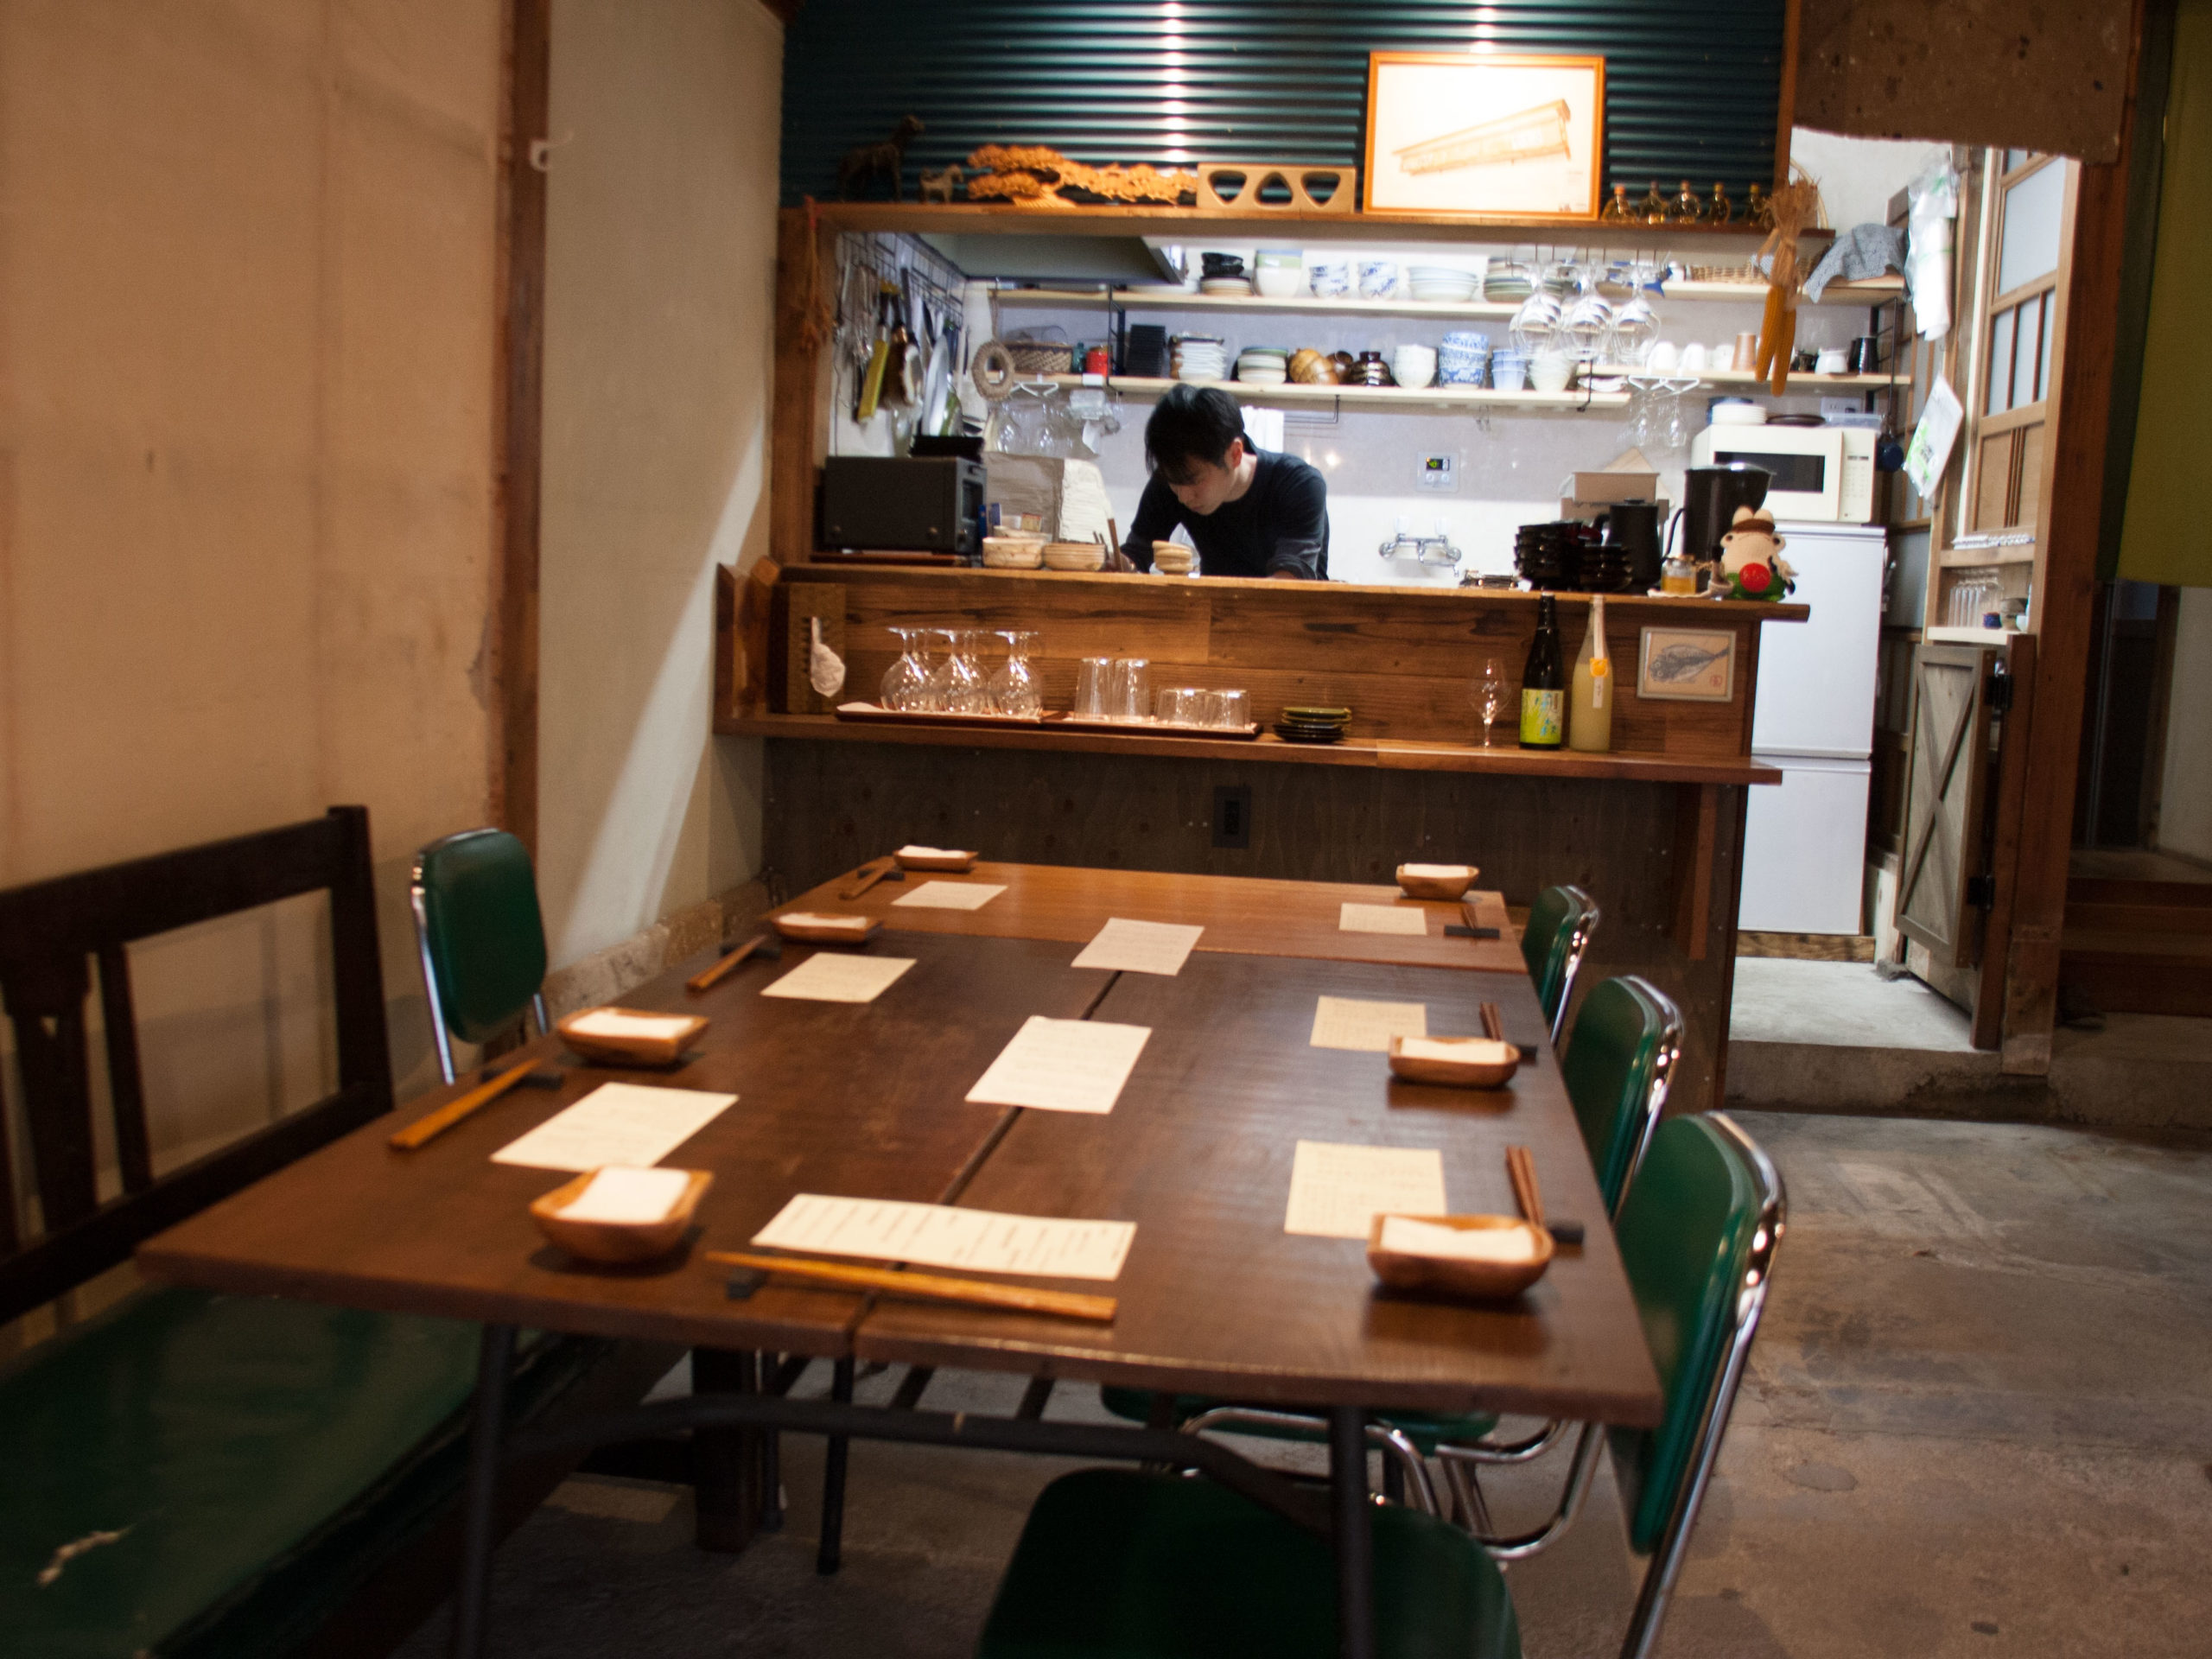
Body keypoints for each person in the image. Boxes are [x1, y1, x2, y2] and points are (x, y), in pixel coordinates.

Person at [1117, 385, 1330, 579]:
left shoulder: (1298, 484)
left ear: (1235, 454)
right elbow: (1137, 553)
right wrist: (1120, 565)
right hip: (1216, 605)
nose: (1183, 496)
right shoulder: (1173, 479)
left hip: (1290, 607)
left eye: (1194, 480)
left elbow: (1288, 584)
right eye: (1174, 483)